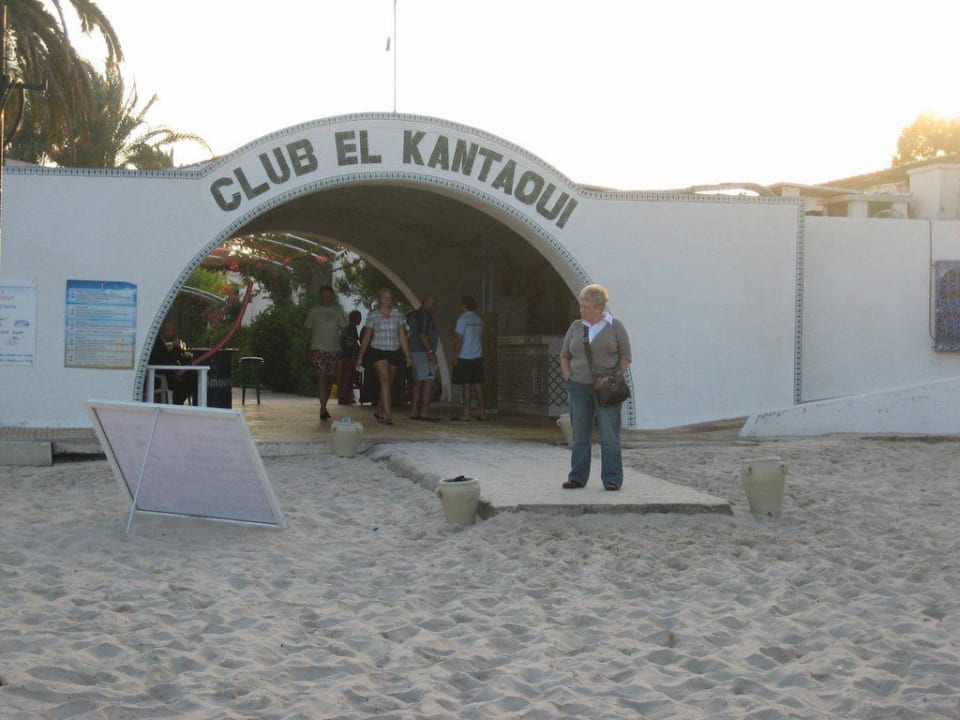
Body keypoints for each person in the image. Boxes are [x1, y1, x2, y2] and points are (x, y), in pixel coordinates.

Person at [559, 284, 632, 491]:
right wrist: (567, 373)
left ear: (599, 307)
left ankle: (612, 478)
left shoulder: (615, 326)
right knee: (580, 434)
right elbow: (565, 354)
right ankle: (577, 477)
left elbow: (626, 356)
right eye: (581, 305)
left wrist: (614, 377)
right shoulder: (576, 327)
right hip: (578, 386)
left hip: (606, 388)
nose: (581, 309)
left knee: (609, 434)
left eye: (586, 305)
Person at [356, 288, 412, 425]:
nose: (387, 300)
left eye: (389, 297)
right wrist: (360, 357)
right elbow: (367, 337)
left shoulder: (397, 315)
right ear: (379, 299)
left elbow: (402, 336)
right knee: (385, 381)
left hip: (393, 351)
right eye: (384, 297)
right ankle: (388, 415)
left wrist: (407, 356)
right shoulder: (373, 316)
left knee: (389, 383)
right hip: (378, 351)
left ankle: (380, 411)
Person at [302, 285, 345, 420]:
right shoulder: (314, 311)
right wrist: (304, 348)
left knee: (329, 379)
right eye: (325, 296)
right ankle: (322, 408)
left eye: (330, 296)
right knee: (321, 375)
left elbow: (344, 329)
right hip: (318, 348)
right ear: (321, 297)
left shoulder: (338, 311)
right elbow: (307, 331)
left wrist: (348, 340)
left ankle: (324, 405)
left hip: (334, 349)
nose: (328, 298)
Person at [451, 295, 487, 421]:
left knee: (466, 384)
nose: (460, 307)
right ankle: (482, 413)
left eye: (461, 304)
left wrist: (456, 356)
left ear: (465, 305)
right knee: (478, 384)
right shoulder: (479, 320)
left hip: (465, 355)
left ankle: (466, 412)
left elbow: (459, 340)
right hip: (478, 355)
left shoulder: (462, 319)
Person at [407, 295, 441, 421]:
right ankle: (425, 411)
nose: (435, 307)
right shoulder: (424, 315)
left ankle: (414, 410)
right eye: (433, 304)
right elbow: (422, 334)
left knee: (418, 382)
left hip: (416, 352)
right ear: (425, 303)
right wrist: (430, 351)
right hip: (423, 353)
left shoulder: (415, 315)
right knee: (428, 381)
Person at [149, 320, 196, 405]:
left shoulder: (165, 343)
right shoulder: (158, 344)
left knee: (192, 376)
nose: (173, 333)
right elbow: (168, 360)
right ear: (164, 331)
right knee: (184, 386)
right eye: (171, 330)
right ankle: (174, 404)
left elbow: (176, 358)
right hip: (161, 375)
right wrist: (176, 348)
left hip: (169, 372)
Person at [336, 310, 363, 406]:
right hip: (347, 357)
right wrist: (360, 353)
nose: (361, 319)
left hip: (343, 357)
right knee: (347, 379)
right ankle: (344, 398)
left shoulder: (348, 327)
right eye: (359, 317)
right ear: (355, 318)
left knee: (345, 379)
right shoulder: (352, 327)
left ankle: (346, 397)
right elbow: (353, 343)